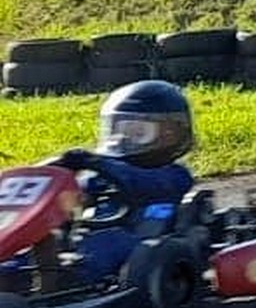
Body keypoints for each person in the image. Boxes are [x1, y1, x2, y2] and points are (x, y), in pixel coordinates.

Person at [1, 80, 197, 292]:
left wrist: (96, 162)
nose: (125, 139)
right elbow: (76, 197)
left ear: (170, 134)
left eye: (138, 133)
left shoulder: (173, 174)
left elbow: (141, 183)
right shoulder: (100, 175)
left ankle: (69, 277)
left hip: (141, 240)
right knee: (45, 235)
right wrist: (60, 173)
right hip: (82, 236)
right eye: (119, 131)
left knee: (109, 242)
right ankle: (18, 271)